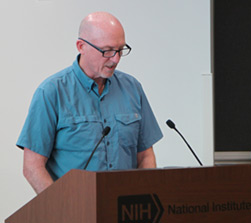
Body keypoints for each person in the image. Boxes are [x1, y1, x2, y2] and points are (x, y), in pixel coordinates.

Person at [17, 11, 163, 194]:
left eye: (120, 50)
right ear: (81, 46)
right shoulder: (51, 93)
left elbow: (145, 156)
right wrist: (64, 210)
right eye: (107, 51)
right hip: (76, 213)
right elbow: (32, 168)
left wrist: (144, 198)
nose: (115, 59)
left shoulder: (133, 88)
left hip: (125, 210)